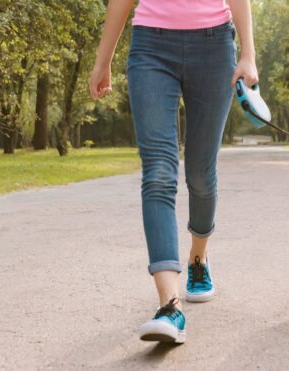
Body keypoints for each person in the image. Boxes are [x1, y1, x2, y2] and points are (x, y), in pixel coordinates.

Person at [89, 0, 258, 344]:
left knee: (200, 172)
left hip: (214, 48)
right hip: (151, 46)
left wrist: (248, 53)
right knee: (158, 173)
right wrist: (102, 60)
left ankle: (198, 258)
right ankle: (169, 306)